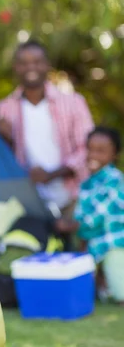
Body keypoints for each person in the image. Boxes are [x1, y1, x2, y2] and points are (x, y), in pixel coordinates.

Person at [0, 41, 94, 247]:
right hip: (31, 202)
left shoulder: (73, 102)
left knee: (80, 259)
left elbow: (87, 149)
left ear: (47, 65)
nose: (31, 67)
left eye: (37, 62)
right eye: (24, 62)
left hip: (73, 196)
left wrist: (51, 174)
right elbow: (3, 157)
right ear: (16, 67)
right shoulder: (5, 108)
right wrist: (6, 138)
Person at [74, 127, 124, 306]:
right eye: (91, 149)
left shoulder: (115, 180)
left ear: (114, 155)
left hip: (115, 244)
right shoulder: (87, 184)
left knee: (121, 296)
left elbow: (94, 220)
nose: (93, 155)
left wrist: (71, 225)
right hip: (96, 246)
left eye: (101, 151)